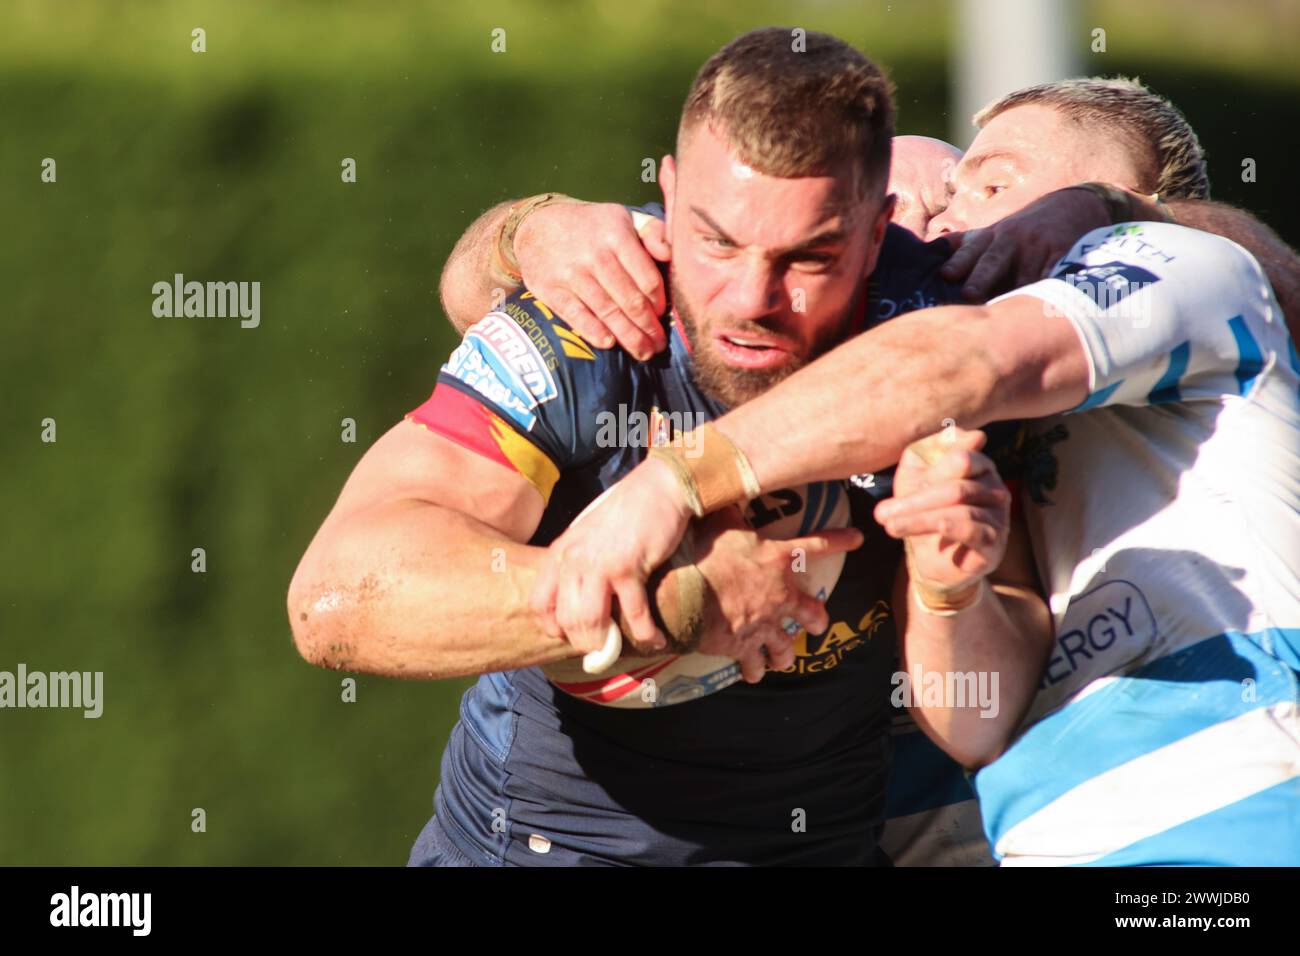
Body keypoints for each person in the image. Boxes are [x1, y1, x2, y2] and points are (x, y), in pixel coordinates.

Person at [288, 28, 1047, 866]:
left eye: (809, 257)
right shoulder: (591, 319)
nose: (752, 299)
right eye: (716, 241)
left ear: (878, 232)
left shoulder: (941, 350)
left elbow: (977, 723)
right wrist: (675, 602)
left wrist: (949, 594)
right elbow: (336, 601)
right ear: (668, 194)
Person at [532, 77, 1300, 865]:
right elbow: (976, 720)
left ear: (1119, 201)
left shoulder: (1175, 259)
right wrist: (526, 228)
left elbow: (952, 364)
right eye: (928, 203)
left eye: (993, 183)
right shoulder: (961, 424)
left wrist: (674, 482)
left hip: (1232, 812)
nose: (945, 220)